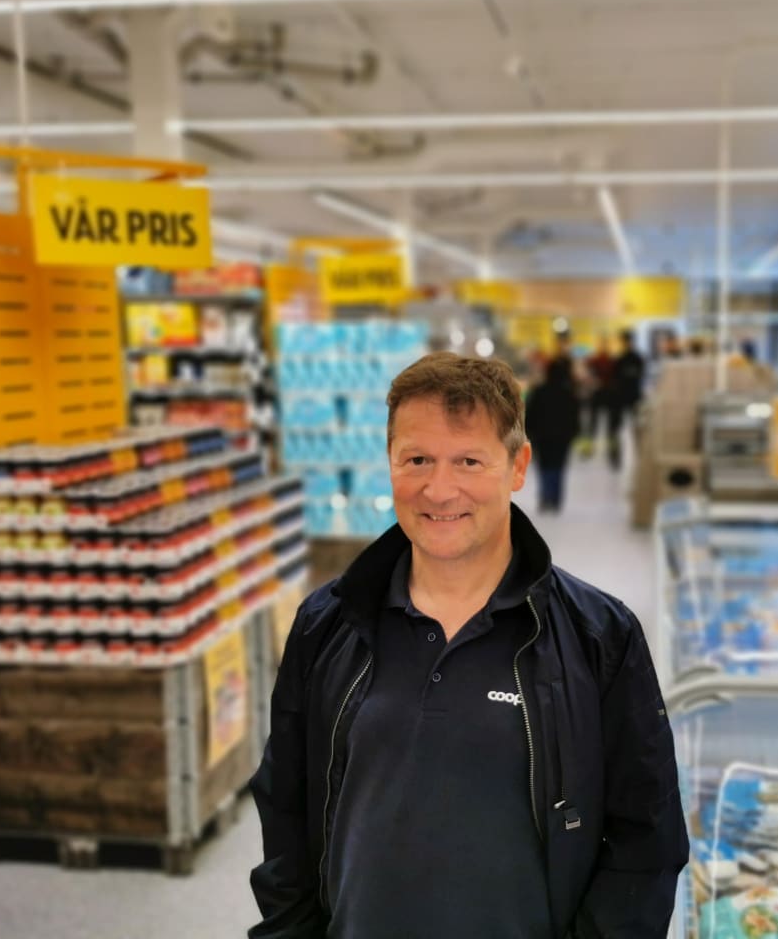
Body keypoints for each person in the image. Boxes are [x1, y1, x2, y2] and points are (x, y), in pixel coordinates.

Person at [249, 352, 688, 939]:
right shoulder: (326, 624)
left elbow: (645, 839)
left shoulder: (599, 637)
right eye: (418, 460)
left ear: (518, 465)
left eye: (468, 461)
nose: (439, 489)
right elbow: (284, 807)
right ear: (390, 462)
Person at [524, 357, 581, 513]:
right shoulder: (569, 394)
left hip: (542, 436)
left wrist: (529, 431)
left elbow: (530, 413)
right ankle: (555, 498)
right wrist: (574, 432)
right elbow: (574, 416)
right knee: (558, 466)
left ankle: (545, 496)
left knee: (544, 466)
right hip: (562, 436)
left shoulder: (539, 391)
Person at [608, 328, 646, 470]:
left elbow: (639, 376)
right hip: (621, 398)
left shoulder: (637, 359)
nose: (627, 343)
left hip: (634, 397)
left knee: (638, 428)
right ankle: (615, 456)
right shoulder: (619, 360)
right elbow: (615, 379)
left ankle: (641, 455)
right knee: (615, 428)